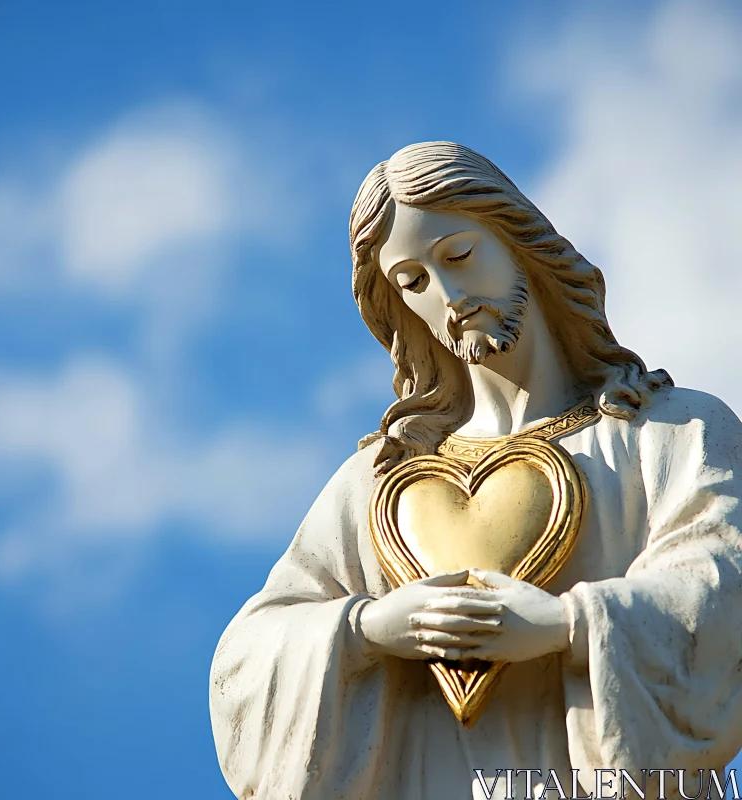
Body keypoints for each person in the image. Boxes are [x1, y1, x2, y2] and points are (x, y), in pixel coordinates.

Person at [210, 142, 742, 800]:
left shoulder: (672, 433)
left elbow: (725, 587)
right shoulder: (380, 483)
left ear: (518, 240)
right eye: (413, 282)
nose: (449, 295)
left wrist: (564, 627)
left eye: (459, 255)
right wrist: (370, 629)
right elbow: (247, 658)